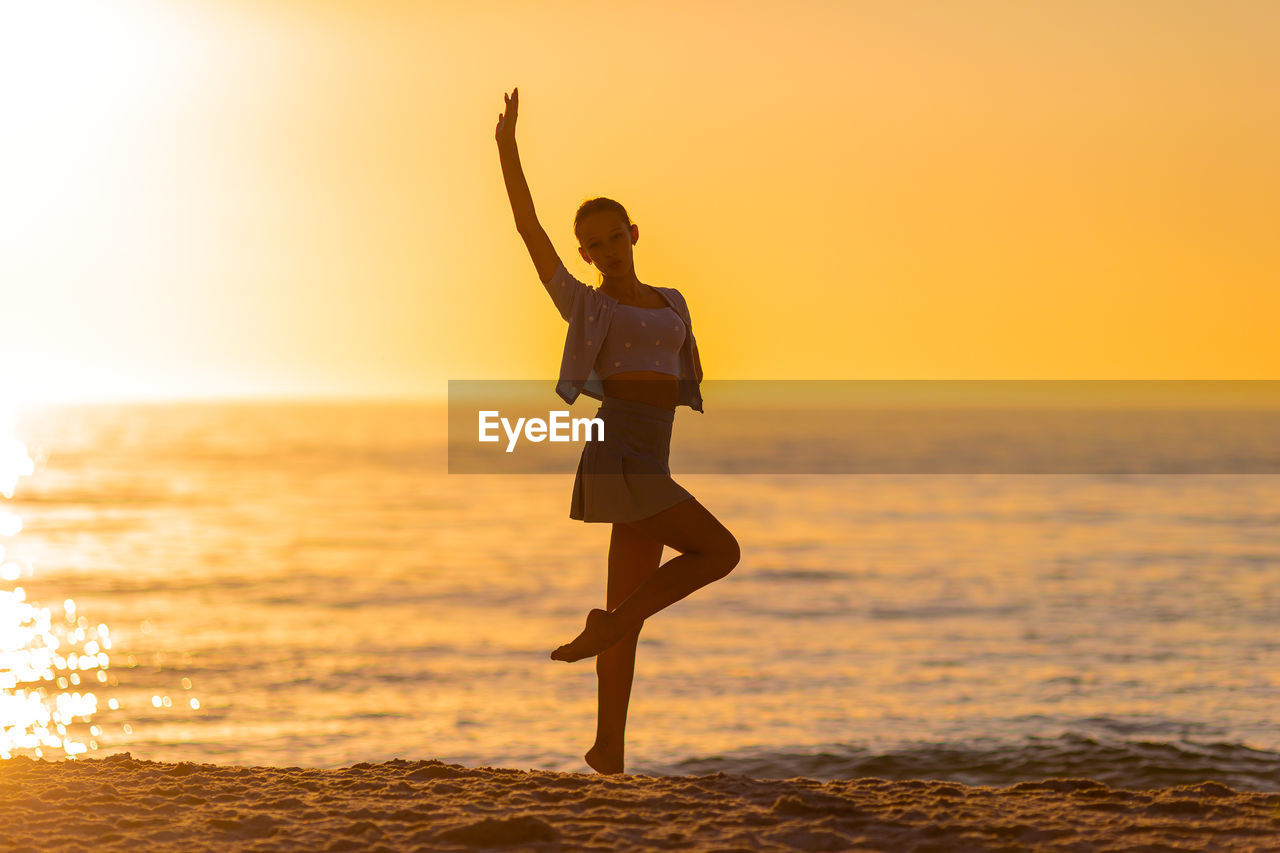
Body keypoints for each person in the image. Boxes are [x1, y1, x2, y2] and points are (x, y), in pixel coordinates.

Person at [495, 88, 740, 775]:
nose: (605, 251)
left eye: (613, 236)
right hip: (620, 452)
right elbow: (528, 230)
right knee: (720, 550)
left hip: (650, 451)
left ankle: (609, 749)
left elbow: (680, 372)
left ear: (634, 233)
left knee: (626, 612)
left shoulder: (674, 300)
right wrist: (507, 147)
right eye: (592, 245)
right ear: (586, 252)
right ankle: (608, 632)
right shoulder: (585, 304)